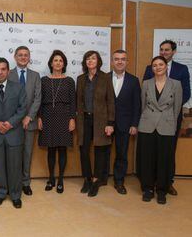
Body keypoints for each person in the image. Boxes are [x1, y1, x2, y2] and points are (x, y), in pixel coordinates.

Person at [143, 40, 190, 196]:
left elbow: (186, 93)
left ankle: (167, 183)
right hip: (150, 120)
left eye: (167, 50)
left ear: (173, 51)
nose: (164, 52)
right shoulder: (149, 71)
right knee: (150, 154)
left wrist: (167, 111)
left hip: (170, 118)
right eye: (161, 49)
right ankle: (151, 184)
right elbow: (144, 100)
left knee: (167, 154)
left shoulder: (182, 69)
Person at [0, 57, 27, 208]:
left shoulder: (19, 87)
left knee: (15, 167)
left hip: (14, 133)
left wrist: (9, 123)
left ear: (8, 70)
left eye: (3, 69)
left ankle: (15, 195)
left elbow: (22, 109)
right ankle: (1, 193)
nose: (0, 72)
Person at [137, 56, 182, 204]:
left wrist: (172, 125)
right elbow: (142, 106)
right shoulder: (146, 83)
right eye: (154, 65)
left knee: (164, 159)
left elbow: (177, 109)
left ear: (166, 66)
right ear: (152, 68)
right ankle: (148, 189)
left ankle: (162, 190)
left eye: (161, 64)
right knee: (147, 159)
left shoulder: (176, 84)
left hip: (166, 126)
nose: (158, 67)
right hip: (147, 126)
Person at [76, 50, 115, 197]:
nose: (90, 61)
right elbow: (78, 101)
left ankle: (96, 180)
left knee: (100, 151)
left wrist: (110, 122)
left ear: (98, 61)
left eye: (93, 58)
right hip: (84, 119)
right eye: (88, 59)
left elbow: (110, 101)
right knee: (84, 151)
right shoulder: (81, 79)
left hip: (101, 121)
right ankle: (87, 179)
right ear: (85, 62)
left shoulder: (105, 78)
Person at [38, 50, 75, 193]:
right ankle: (51, 178)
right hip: (47, 116)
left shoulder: (69, 81)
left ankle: (60, 179)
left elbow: (73, 102)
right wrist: (39, 117)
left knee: (62, 148)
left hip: (64, 116)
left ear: (64, 64)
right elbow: (39, 101)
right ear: (51, 63)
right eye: (55, 60)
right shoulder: (43, 80)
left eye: (60, 60)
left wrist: (72, 119)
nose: (58, 63)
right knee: (51, 149)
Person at [8, 46, 41, 196]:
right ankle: (12, 182)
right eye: (20, 55)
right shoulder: (8, 74)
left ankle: (25, 182)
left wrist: (29, 116)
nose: (23, 57)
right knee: (13, 154)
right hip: (12, 123)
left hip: (30, 122)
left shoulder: (35, 75)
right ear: (15, 57)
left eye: (26, 55)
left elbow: (37, 98)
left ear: (29, 57)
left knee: (27, 153)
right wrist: (15, 119)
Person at [108, 49, 141, 195]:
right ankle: (101, 178)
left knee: (122, 154)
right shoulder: (104, 78)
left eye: (123, 59)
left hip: (125, 124)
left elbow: (137, 104)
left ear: (127, 62)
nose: (120, 61)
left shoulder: (133, 80)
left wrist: (134, 124)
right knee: (103, 152)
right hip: (106, 124)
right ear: (112, 61)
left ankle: (119, 181)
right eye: (116, 59)